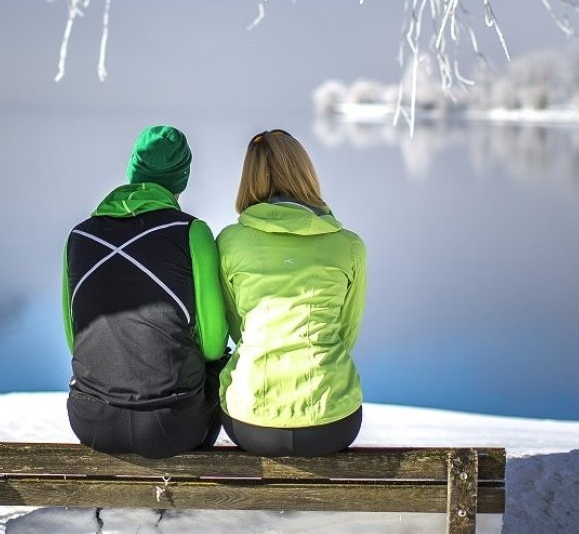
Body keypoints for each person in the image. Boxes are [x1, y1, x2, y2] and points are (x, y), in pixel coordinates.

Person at [62, 125, 230, 458]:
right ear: (182, 178)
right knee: (222, 364)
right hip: (174, 426)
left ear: (132, 169)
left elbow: (75, 339)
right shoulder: (191, 232)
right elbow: (212, 346)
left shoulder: (79, 236)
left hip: (91, 422)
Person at [217, 128, 366, 456]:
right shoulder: (349, 246)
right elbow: (345, 332)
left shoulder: (229, 242)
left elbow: (236, 328)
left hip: (251, 421)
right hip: (331, 421)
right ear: (305, 173)